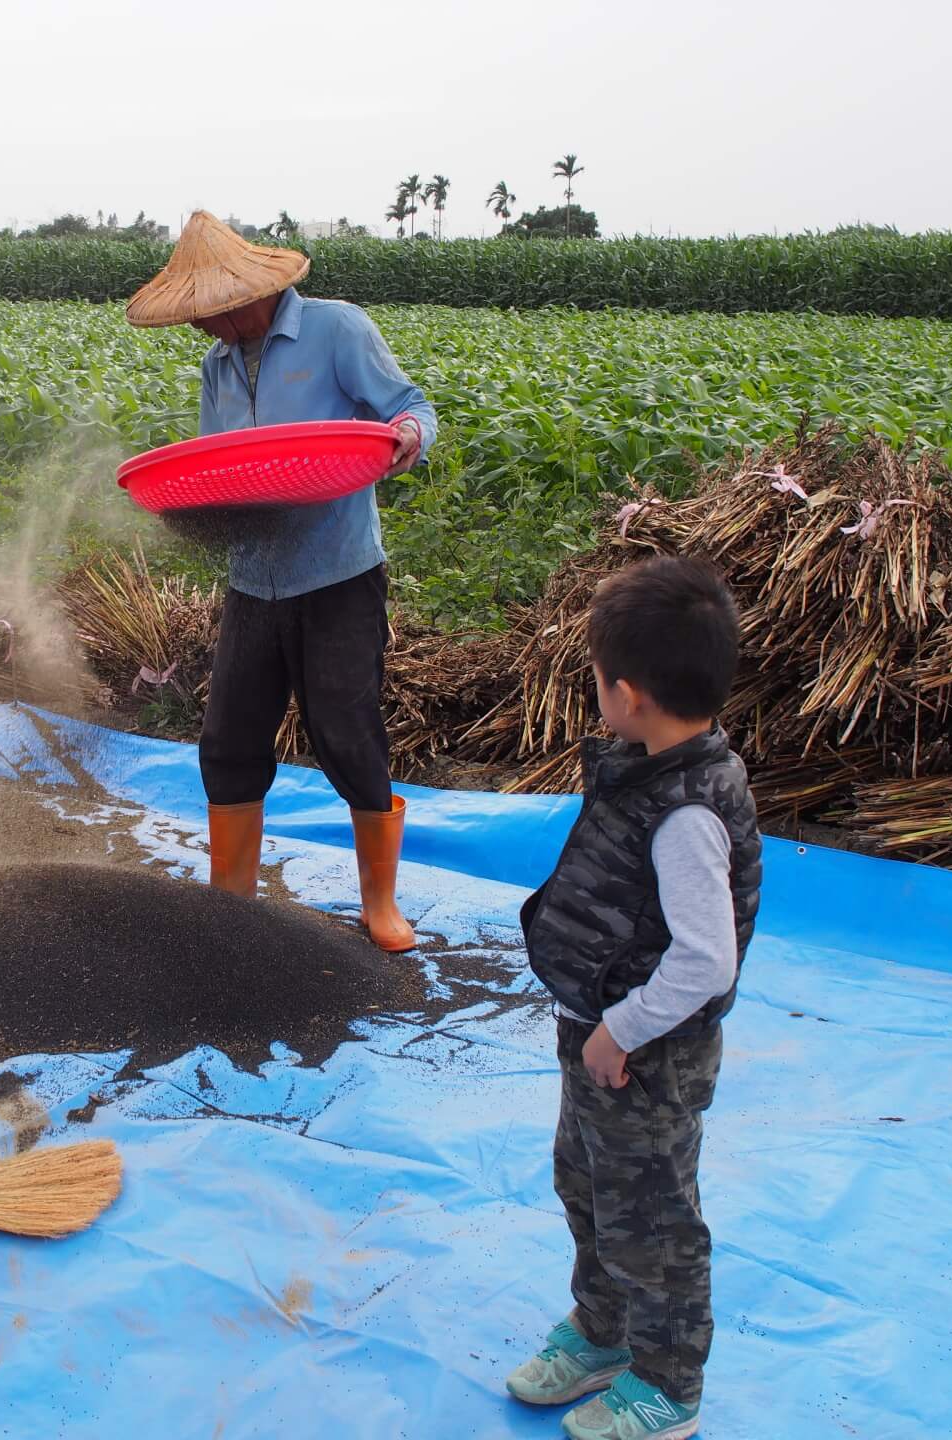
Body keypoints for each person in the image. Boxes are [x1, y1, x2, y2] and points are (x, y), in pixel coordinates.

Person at [125, 212, 438, 951]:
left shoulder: (338, 331)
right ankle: (232, 907)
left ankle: (380, 904)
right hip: (253, 578)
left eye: (206, 314)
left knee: (346, 729)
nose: (201, 329)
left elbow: (411, 407)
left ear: (244, 297)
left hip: (336, 572)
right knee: (228, 735)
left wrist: (407, 438)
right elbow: (223, 467)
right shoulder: (217, 368)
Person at [506, 557, 761, 1440]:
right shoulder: (647, 765)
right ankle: (604, 1332)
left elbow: (705, 963)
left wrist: (618, 1031)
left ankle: (668, 1386)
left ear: (630, 694)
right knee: (588, 1186)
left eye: (597, 681)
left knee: (653, 1221)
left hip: (644, 1059)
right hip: (600, 1041)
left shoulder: (688, 812)